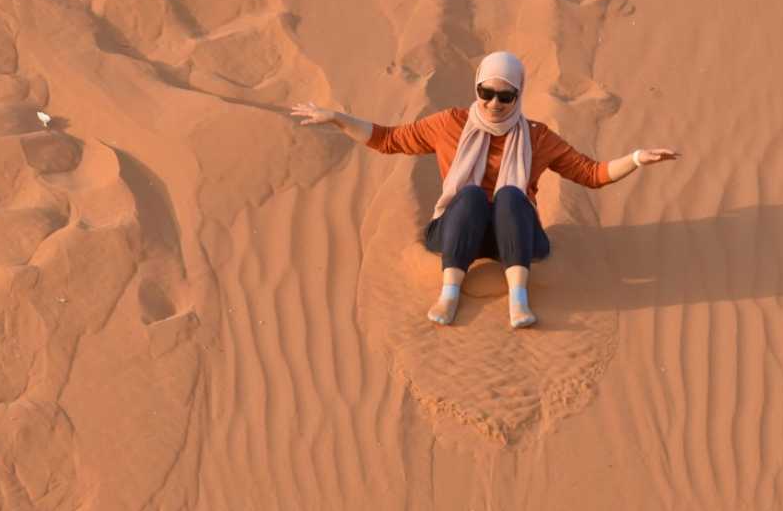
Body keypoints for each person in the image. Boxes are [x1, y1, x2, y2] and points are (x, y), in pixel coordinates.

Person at [290, 51, 681, 329]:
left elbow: (590, 173)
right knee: (473, 195)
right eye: (486, 93)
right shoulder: (449, 124)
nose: (494, 103)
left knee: (511, 195)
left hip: (518, 239)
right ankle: (449, 292)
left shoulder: (536, 136)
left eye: (505, 95)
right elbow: (390, 139)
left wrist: (634, 158)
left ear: (518, 95)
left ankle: (519, 299)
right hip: (460, 232)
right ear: (476, 89)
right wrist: (338, 118)